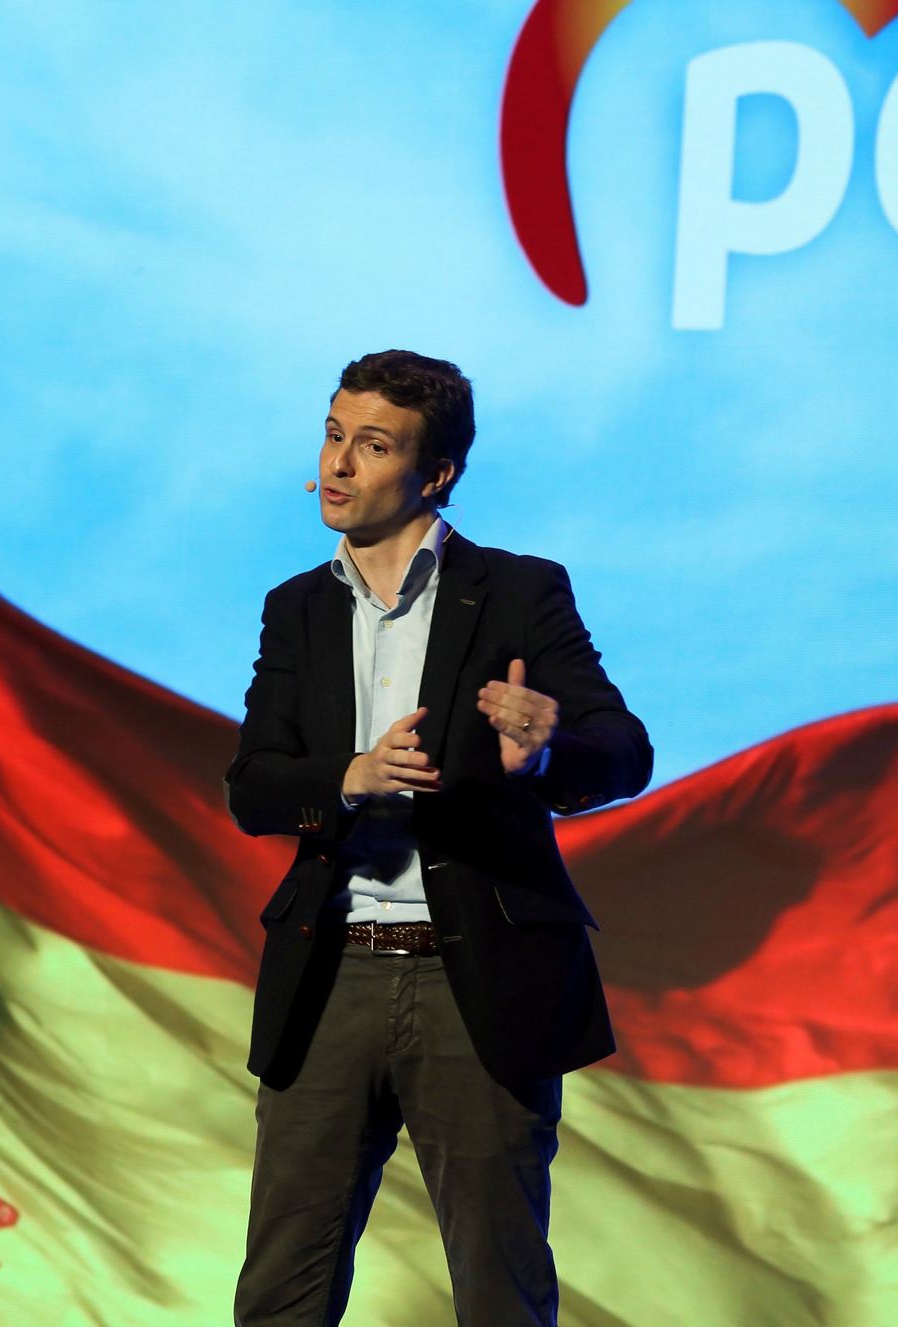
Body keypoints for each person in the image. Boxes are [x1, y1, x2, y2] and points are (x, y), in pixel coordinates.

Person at [226, 350, 653, 1326]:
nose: (338, 463)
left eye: (372, 445)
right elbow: (253, 786)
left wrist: (546, 754)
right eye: (333, 435)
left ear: (436, 471)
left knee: (501, 1290)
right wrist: (351, 777)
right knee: (280, 1292)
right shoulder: (296, 608)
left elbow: (622, 751)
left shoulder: (517, 593)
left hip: (481, 980)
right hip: (329, 974)